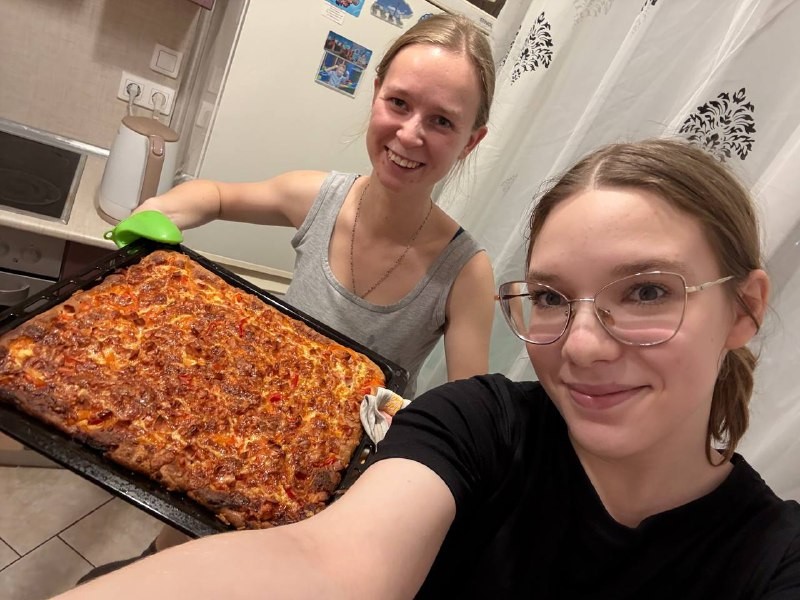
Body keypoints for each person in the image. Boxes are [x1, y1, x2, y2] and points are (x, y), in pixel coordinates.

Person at [59, 138, 800, 598]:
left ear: (744, 309)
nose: (580, 347)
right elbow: (323, 563)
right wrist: (167, 209)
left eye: (646, 292)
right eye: (550, 297)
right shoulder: (482, 426)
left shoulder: (771, 559)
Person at [74, 12, 496, 584]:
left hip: (338, 480)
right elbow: (215, 195)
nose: (409, 134)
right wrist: (162, 210)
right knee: (176, 550)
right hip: (249, 422)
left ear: (471, 141)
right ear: (375, 93)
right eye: (399, 103)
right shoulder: (318, 197)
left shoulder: (466, 272)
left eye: (442, 121)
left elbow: (470, 417)